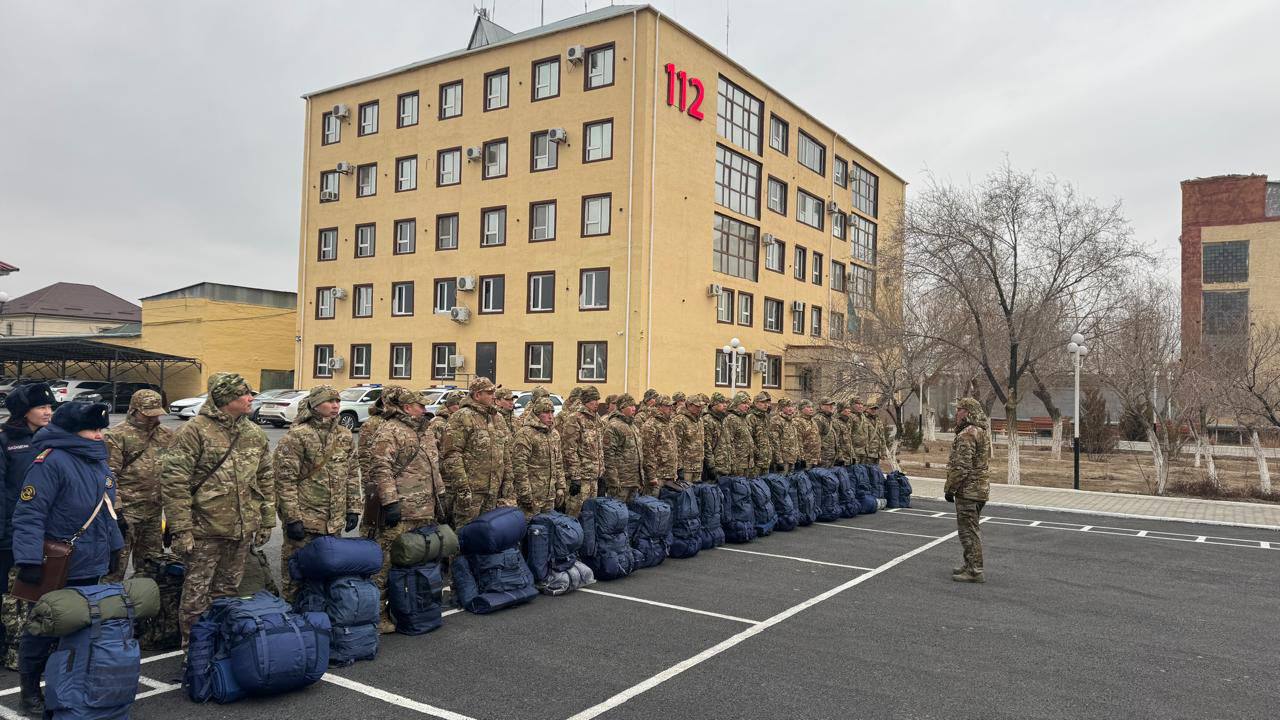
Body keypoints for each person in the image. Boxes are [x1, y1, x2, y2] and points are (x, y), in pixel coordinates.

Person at [11, 402, 124, 716]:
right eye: (93, 430)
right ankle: (30, 692)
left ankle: (69, 687)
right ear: (72, 431)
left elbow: (107, 512)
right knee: (42, 628)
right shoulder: (49, 462)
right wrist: (29, 560)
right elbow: (29, 515)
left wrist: (114, 548)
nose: (99, 435)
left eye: (101, 429)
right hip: (56, 566)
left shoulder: (97, 461)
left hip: (90, 561)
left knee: (80, 629)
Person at [160, 372, 275, 643]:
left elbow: (265, 478)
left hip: (241, 529)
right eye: (244, 394)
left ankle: (220, 649)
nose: (250, 398)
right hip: (204, 531)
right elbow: (175, 483)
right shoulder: (193, 431)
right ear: (225, 399)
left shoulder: (253, 433)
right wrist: (181, 530)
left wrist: (267, 519)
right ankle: (195, 654)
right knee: (196, 597)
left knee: (227, 593)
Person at [274, 385, 361, 602]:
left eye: (338, 401)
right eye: (329, 401)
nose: (335, 406)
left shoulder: (344, 435)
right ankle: (293, 611)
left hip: (333, 521)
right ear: (315, 404)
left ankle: (322, 614)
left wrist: (353, 508)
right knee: (297, 571)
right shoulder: (297, 436)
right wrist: (292, 518)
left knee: (329, 571)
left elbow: (351, 473)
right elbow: (284, 481)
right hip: (306, 519)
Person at [368, 387, 444, 631]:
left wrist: (440, 497)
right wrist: (390, 502)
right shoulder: (390, 430)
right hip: (401, 510)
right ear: (406, 407)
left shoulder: (425, 431)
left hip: (424, 509)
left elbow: (433, 467)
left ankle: (409, 609)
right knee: (386, 563)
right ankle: (378, 615)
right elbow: (381, 468)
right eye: (420, 405)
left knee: (414, 563)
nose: (424, 409)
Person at [0, 382, 56, 671]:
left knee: (37, 590)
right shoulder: (6, 441)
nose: (48, 412)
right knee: (9, 595)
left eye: (50, 406)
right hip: (10, 532)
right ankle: (10, 649)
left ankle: (33, 646)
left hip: (43, 530)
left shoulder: (52, 438)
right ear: (24, 411)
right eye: (41, 407)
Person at [102, 389, 173, 583]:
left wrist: (173, 515)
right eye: (147, 414)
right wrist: (117, 512)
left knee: (151, 568)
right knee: (114, 569)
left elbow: (174, 474)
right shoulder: (116, 436)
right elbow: (109, 477)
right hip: (126, 513)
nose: (153, 419)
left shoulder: (166, 435)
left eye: (156, 414)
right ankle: (110, 600)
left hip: (154, 512)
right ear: (134, 410)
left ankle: (144, 600)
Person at [441, 377, 512, 527]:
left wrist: (508, 482)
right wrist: (463, 487)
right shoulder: (462, 417)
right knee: (466, 531)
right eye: (489, 393)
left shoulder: (497, 418)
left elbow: (505, 452)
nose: (493, 396)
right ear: (477, 395)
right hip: (471, 491)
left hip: (493, 489)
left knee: (488, 531)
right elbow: (452, 454)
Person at [946, 397, 991, 583]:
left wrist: (950, 488)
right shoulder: (980, 430)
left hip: (969, 490)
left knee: (968, 532)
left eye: (959, 410)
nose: (956, 413)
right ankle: (969, 563)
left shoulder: (968, 433)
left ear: (968, 412)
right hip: (979, 489)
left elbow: (962, 466)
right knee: (969, 529)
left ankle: (975, 570)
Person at [511, 399, 565, 517]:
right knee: (529, 525)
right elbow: (519, 466)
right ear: (537, 414)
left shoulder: (554, 434)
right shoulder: (526, 434)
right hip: (532, 496)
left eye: (552, 412)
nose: (550, 416)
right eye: (545, 412)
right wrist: (525, 493)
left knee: (547, 525)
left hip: (549, 496)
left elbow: (558, 463)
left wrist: (560, 487)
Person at [559, 387, 604, 515]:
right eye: (593, 400)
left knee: (589, 513)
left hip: (593, 476)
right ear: (586, 401)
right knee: (575, 511)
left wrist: (601, 471)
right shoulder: (575, 418)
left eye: (597, 399)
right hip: (581, 476)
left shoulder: (597, 418)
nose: (596, 403)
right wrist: (575, 476)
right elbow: (569, 449)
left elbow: (599, 447)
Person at [603, 394, 645, 501]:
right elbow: (608, 455)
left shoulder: (633, 426)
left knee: (632, 510)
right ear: (622, 408)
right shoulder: (613, 426)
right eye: (630, 406)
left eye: (634, 406)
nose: (634, 408)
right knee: (618, 509)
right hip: (621, 482)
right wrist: (613, 480)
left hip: (634, 481)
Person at [639, 394, 677, 494]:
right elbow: (647, 452)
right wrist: (652, 476)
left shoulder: (669, 423)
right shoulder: (651, 425)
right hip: (657, 476)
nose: (670, 408)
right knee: (654, 502)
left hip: (669, 474)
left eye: (671, 406)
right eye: (667, 406)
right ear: (659, 407)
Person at [672, 393, 706, 485]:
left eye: (701, 406)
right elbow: (676, 445)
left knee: (697, 491)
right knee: (687, 491)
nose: (700, 408)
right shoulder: (679, 420)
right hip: (686, 467)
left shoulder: (699, 420)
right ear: (689, 405)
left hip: (698, 466)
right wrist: (679, 467)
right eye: (697, 406)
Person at [701, 392, 733, 482]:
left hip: (726, 465)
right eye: (722, 403)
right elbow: (707, 445)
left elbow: (728, 442)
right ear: (714, 404)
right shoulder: (708, 420)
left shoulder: (724, 419)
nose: (725, 405)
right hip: (716, 467)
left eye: (725, 403)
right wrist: (711, 467)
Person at [724, 392, 755, 477]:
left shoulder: (744, 418)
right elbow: (728, 442)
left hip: (748, 462)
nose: (747, 406)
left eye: (748, 404)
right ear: (737, 404)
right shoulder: (731, 419)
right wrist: (732, 463)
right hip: (738, 463)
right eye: (744, 403)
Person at [769, 398, 803, 472]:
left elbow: (796, 440)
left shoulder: (793, 421)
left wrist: (799, 456)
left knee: (793, 478)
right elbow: (774, 442)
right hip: (783, 461)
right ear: (782, 408)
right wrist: (778, 460)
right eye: (787, 406)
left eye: (791, 406)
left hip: (793, 459)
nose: (790, 409)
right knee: (781, 478)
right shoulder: (776, 420)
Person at [796, 400, 822, 469]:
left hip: (814, 460)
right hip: (805, 460)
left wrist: (818, 456)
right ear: (801, 409)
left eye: (812, 407)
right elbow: (798, 443)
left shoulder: (813, 421)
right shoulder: (798, 422)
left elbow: (817, 439)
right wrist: (802, 459)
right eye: (808, 407)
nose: (811, 409)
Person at [814, 398, 838, 467]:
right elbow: (815, 439)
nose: (831, 407)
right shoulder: (818, 419)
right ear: (821, 406)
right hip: (823, 457)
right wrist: (817, 456)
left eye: (832, 405)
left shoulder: (829, 419)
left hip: (831, 457)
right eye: (829, 405)